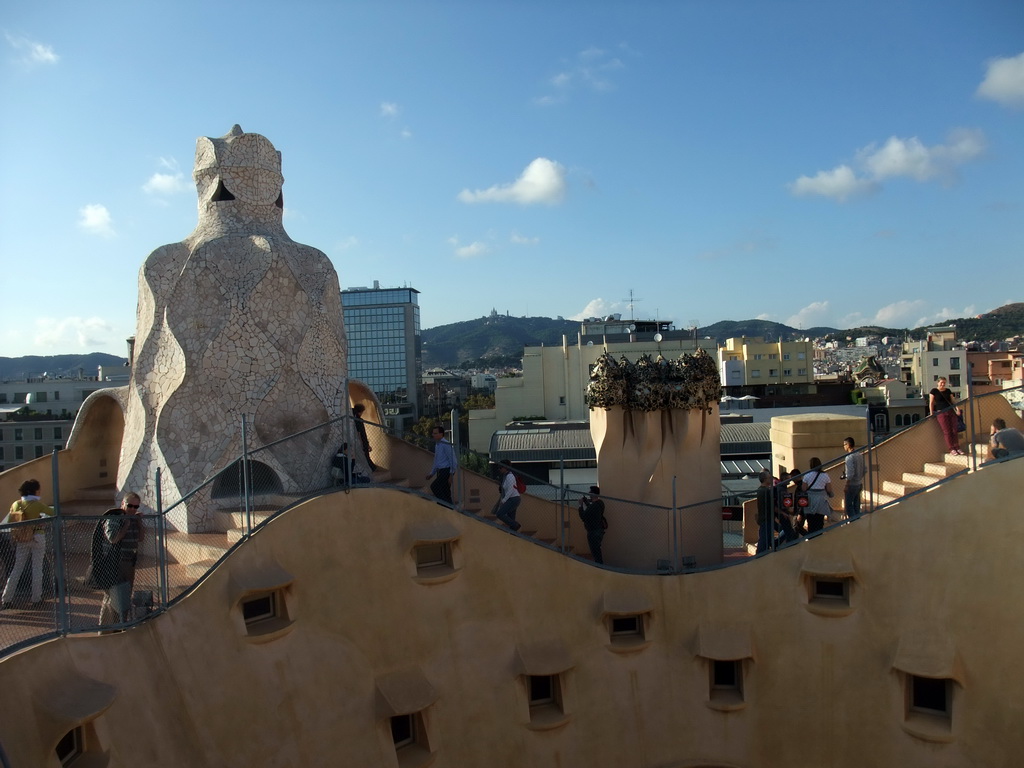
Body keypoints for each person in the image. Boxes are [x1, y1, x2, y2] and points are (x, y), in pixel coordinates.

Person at [94, 493, 145, 625]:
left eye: (136, 506)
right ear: (123, 504)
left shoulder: (133, 518)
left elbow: (140, 538)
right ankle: (109, 627)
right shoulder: (115, 517)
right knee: (114, 597)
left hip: (129, 563)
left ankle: (120, 624)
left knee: (124, 597)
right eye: (130, 506)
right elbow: (113, 538)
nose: (133, 509)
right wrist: (125, 526)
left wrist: (139, 523)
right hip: (116, 564)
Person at [1, 479, 50, 608]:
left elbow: (11, 520)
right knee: (37, 568)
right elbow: (54, 513)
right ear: (35, 490)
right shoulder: (37, 504)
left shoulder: (16, 504)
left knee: (17, 568)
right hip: (37, 536)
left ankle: (6, 599)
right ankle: (36, 599)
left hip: (22, 538)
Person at [929, 377, 963, 455]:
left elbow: (953, 400)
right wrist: (931, 413)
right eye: (941, 382)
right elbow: (931, 403)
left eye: (944, 382)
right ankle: (951, 449)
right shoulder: (934, 391)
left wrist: (957, 409)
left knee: (954, 430)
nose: (943, 384)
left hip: (951, 411)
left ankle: (957, 447)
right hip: (941, 412)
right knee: (947, 431)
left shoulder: (948, 391)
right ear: (938, 383)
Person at [801, 458, 833, 534]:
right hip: (821, 499)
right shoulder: (825, 475)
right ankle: (819, 538)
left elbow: (804, 488)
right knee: (820, 521)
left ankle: (811, 538)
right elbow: (829, 489)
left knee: (811, 521)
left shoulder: (807, 475)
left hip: (810, 499)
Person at [425, 425, 456, 504]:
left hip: (446, 470)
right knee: (445, 491)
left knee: (435, 486)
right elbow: (436, 460)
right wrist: (432, 473)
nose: (433, 435)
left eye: (435, 433)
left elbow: (453, 460)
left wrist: (451, 475)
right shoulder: (438, 445)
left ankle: (445, 505)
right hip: (440, 471)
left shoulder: (446, 444)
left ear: (441, 434)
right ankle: (448, 506)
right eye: (433, 433)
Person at [578, 486, 606, 563]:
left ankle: (599, 567)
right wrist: (586, 502)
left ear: (593, 494)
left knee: (595, 552)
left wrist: (580, 505)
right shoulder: (600, 503)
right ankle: (599, 566)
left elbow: (583, 516)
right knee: (597, 550)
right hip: (599, 530)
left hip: (593, 532)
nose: (589, 494)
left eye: (590, 493)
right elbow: (591, 508)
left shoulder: (594, 506)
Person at [493, 461, 521, 531]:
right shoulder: (505, 476)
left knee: (500, 514)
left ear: (505, 467)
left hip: (513, 499)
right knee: (511, 518)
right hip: (512, 499)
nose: (499, 469)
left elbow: (510, 490)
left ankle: (516, 525)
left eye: (500, 467)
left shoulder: (510, 476)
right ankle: (513, 533)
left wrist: (504, 500)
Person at [842, 437, 866, 517]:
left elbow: (850, 473)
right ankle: (857, 522)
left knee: (849, 506)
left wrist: (846, 485)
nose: (844, 447)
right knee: (856, 506)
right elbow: (865, 469)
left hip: (852, 485)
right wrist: (859, 477)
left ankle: (853, 522)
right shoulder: (859, 455)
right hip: (859, 483)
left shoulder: (849, 457)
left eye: (844, 445)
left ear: (848, 445)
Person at [352, 404, 379, 472]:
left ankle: (371, 468)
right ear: (360, 412)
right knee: (366, 456)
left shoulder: (354, 419)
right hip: (362, 441)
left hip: (361, 441)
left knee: (365, 456)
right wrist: (362, 443)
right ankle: (372, 469)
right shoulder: (358, 421)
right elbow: (359, 433)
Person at [755, 470, 775, 553]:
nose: (771, 480)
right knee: (764, 539)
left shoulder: (761, 490)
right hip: (766, 518)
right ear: (765, 479)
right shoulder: (766, 491)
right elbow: (771, 505)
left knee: (766, 538)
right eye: (769, 478)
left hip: (764, 518)